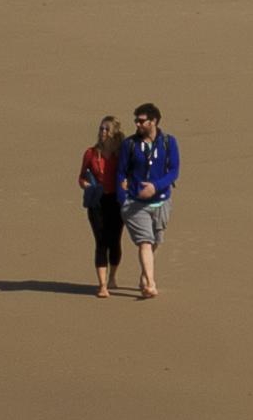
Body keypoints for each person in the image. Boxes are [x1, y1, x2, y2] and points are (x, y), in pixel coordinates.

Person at [116, 103, 178, 299]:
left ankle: (144, 276)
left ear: (154, 121)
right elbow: (120, 172)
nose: (137, 124)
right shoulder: (130, 144)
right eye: (136, 120)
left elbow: (174, 171)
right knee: (145, 241)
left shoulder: (169, 142)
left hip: (161, 201)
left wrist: (156, 186)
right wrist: (122, 199)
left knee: (155, 241)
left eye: (142, 120)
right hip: (135, 204)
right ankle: (150, 284)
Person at [73, 110, 138, 295]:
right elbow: (81, 176)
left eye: (106, 128)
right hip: (97, 200)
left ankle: (112, 277)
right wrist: (85, 184)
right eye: (101, 128)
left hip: (116, 200)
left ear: (114, 132)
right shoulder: (91, 153)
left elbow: (130, 172)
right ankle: (102, 285)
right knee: (100, 241)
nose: (102, 132)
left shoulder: (122, 154)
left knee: (114, 240)